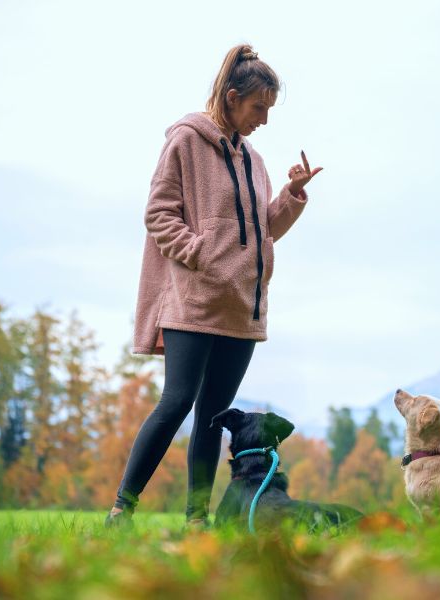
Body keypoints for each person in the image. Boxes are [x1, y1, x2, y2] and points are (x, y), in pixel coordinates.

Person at [111, 43, 324, 528]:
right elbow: (159, 215)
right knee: (177, 402)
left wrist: (291, 194)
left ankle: (196, 520)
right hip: (195, 300)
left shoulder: (255, 160)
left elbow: (263, 228)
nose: (264, 120)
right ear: (231, 97)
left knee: (213, 415)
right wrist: (201, 256)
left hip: (241, 307)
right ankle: (122, 508)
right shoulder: (186, 141)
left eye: (269, 110)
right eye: (258, 108)